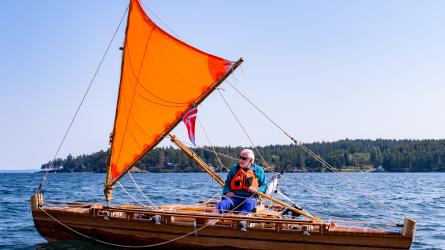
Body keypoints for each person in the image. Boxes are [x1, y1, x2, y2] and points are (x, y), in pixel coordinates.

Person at [216, 149, 267, 214]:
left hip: (250, 197)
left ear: (251, 160)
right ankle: (212, 220)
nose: (240, 160)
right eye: (240, 157)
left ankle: (242, 220)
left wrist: (257, 190)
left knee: (249, 205)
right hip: (234, 197)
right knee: (222, 204)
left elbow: (264, 185)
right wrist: (227, 191)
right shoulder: (234, 169)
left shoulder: (258, 170)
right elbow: (227, 183)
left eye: (243, 158)